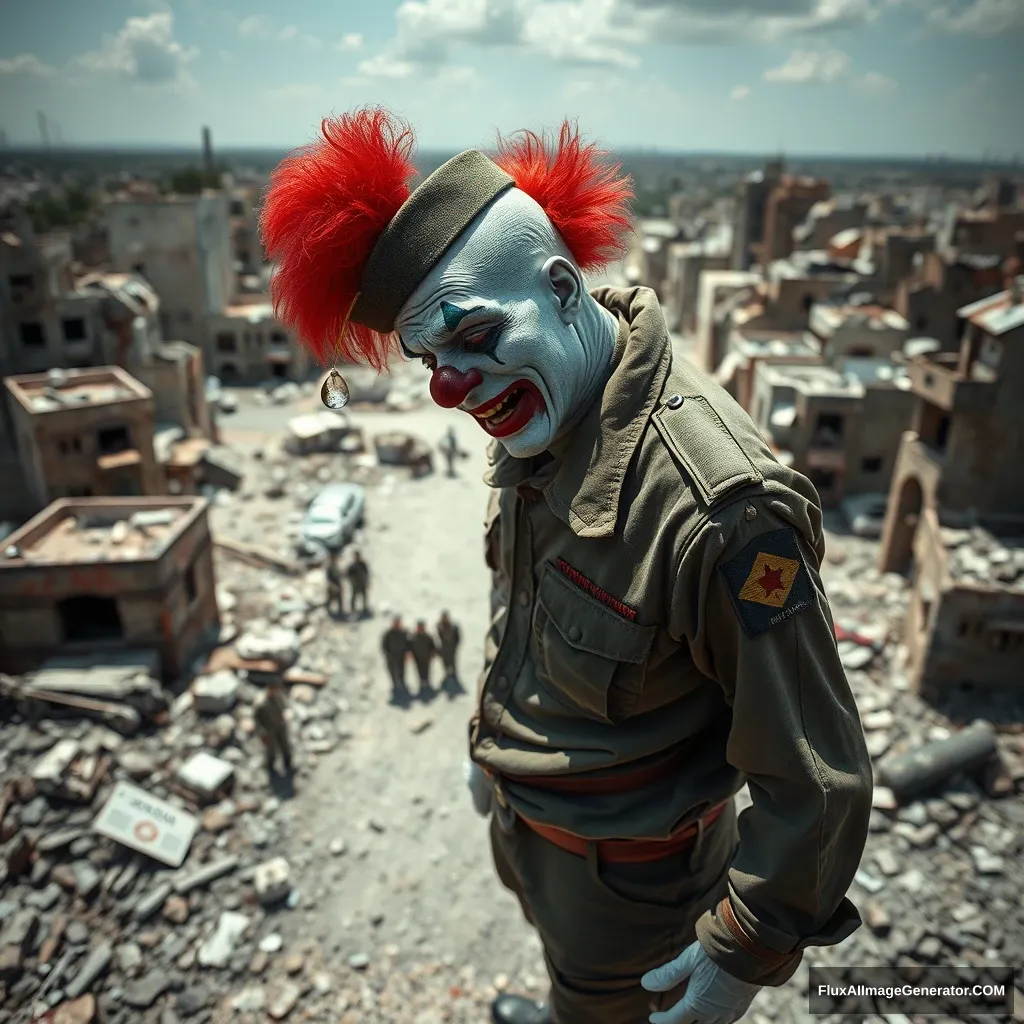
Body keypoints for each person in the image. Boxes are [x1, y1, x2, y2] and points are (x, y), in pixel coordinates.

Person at [261, 110, 873, 1024]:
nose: (450, 387)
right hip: (536, 837)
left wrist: (749, 946)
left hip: (632, 882)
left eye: (471, 336)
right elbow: (526, 604)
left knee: (604, 1007)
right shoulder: (545, 410)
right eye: (430, 358)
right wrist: (493, 751)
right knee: (571, 989)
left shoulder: (720, 509)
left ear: (558, 287)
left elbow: (817, 772)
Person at [254, 681, 293, 777]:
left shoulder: (278, 696)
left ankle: (288, 764)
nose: (275, 691)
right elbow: (257, 720)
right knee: (271, 749)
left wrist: (287, 712)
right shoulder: (261, 703)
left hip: (280, 725)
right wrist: (261, 734)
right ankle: (271, 768)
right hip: (269, 729)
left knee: (285, 745)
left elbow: (285, 705)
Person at [381, 617, 410, 701]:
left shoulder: (403, 632)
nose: (397, 624)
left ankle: (402, 682)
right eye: (395, 623)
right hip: (391, 655)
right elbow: (384, 645)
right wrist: (387, 654)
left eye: (398, 623)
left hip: (401, 655)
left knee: (402, 669)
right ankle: (394, 684)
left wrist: (408, 652)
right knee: (392, 670)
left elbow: (408, 643)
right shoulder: (388, 633)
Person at [409, 620, 437, 697]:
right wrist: (410, 654)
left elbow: (433, 646)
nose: (420, 629)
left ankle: (427, 683)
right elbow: (410, 647)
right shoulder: (413, 637)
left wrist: (432, 653)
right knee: (419, 670)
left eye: (421, 627)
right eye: (419, 627)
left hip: (426, 657)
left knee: (427, 670)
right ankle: (421, 683)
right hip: (417, 658)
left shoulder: (428, 637)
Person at [436, 610, 461, 679]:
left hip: (452, 648)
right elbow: (438, 636)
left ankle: (454, 675)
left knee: (453, 662)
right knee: (445, 663)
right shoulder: (440, 627)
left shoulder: (453, 627)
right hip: (444, 648)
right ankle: (447, 675)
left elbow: (458, 638)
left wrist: (455, 646)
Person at [346, 549, 370, 617]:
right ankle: (353, 608)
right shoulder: (352, 566)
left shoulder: (363, 564)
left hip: (362, 582)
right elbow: (348, 575)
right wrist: (352, 581)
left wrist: (367, 581)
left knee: (364, 596)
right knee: (354, 596)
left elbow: (366, 573)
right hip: (355, 583)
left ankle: (365, 607)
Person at [325, 552, 343, 617]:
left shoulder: (336, 566)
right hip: (332, 584)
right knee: (330, 598)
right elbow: (328, 578)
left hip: (338, 583)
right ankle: (328, 611)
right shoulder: (329, 568)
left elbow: (339, 574)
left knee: (340, 598)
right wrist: (332, 585)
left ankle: (340, 612)